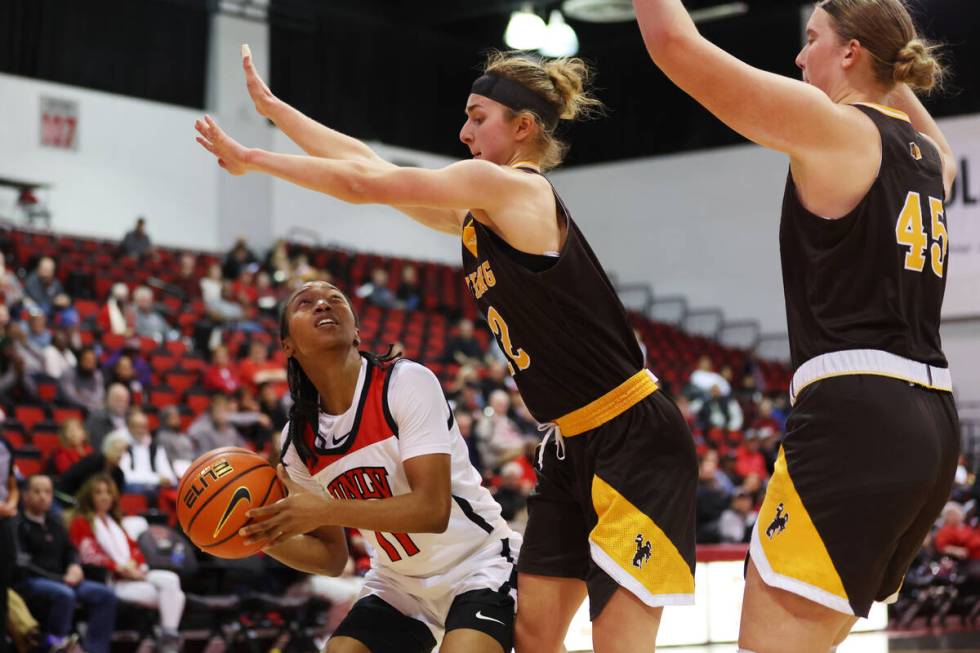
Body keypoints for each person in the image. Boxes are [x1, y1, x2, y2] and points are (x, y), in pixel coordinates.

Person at [201, 45, 698, 653]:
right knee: (536, 638)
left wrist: (252, 158)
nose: (463, 132)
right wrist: (278, 111)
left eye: (478, 116)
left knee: (618, 643)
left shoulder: (512, 188)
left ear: (523, 127)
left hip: (631, 433)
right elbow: (367, 165)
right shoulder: (480, 210)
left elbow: (362, 183)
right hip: (568, 442)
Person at [633, 1, 960, 650]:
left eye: (813, 39)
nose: (799, 55)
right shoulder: (932, 158)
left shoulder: (837, 126)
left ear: (852, 52)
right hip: (932, 424)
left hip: (854, 415)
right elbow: (915, 106)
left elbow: (674, 42)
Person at [238, 281, 521, 653]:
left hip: (477, 564)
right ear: (287, 344)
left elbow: (432, 510)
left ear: (356, 330)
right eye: (306, 303)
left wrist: (325, 509)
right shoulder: (299, 441)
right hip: (398, 584)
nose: (323, 304)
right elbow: (332, 557)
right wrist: (259, 536)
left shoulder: (405, 383)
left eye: (335, 299)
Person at [68, 474, 184, 653]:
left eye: (108, 492)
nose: (105, 497)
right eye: (99, 493)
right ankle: (168, 642)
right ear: (89, 496)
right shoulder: (81, 522)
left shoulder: (115, 522)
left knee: (171, 579)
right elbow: (89, 555)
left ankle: (167, 635)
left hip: (133, 573)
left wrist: (134, 566)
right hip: (111, 579)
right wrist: (119, 569)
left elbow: (135, 550)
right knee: (176, 597)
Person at [13, 475, 117, 653]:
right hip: (31, 581)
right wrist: (61, 578)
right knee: (65, 594)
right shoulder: (17, 525)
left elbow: (71, 550)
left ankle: (96, 649)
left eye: (47, 491)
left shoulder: (56, 522)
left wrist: (75, 566)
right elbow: (23, 564)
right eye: (37, 491)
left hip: (63, 579)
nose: (42, 496)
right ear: (25, 495)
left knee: (105, 595)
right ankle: (57, 644)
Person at [0, 418, 19, 653]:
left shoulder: (5, 446)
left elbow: (12, 485)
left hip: (3, 521)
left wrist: (11, 504)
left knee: (3, 585)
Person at [59, 346, 106, 413]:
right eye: (86, 360)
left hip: (92, 410)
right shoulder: (68, 373)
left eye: (92, 360)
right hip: (70, 409)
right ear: (79, 360)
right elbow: (70, 397)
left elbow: (99, 396)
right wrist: (88, 403)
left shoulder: (97, 375)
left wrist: (82, 394)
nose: (89, 363)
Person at [85, 383, 131, 451]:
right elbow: (97, 445)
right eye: (118, 400)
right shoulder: (97, 419)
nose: (122, 404)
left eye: (125, 401)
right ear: (108, 399)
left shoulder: (130, 418)